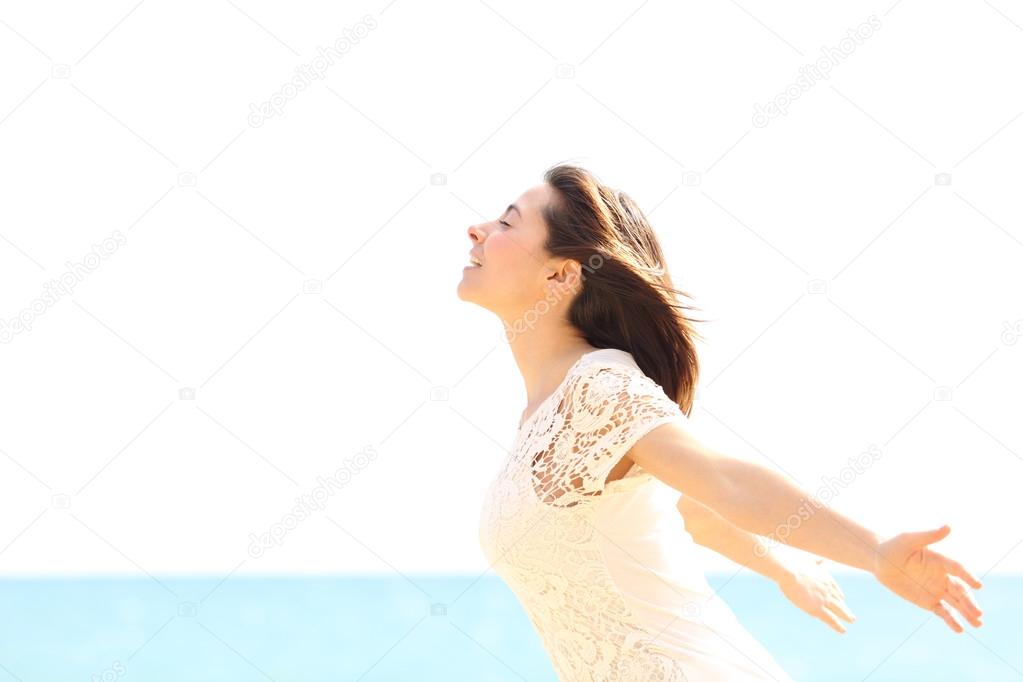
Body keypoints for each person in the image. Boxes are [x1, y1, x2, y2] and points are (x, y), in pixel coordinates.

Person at [458, 163, 983, 681]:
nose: (476, 229)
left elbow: (725, 481)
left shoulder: (599, 390)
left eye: (507, 223)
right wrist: (783, 568)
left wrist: (875, 553)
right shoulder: (546, 416)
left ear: (562, 273)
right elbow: (685, 509)